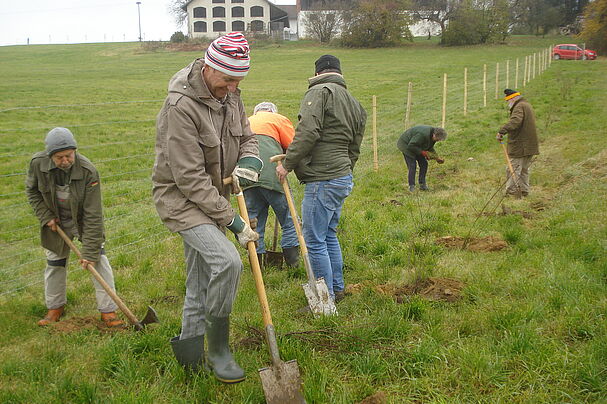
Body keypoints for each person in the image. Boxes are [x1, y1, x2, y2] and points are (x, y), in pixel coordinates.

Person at [152, 32, 260, 384]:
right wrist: (234, 222)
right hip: (182, 201)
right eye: (228, 79)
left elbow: (247, 137)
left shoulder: (231, 95)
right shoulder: (180, 107)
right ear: (209, 67)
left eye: (238, 81)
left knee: (199, 279)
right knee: (227, 262)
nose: (232, 87)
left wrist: (249, 161)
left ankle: (188, 351)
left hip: (213, 197)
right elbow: (188, 178)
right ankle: (218, 351)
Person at [276, 54, 366, 303]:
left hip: (323, 178)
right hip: (341, 176)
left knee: (314, 240)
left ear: (317, 73)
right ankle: (337, 290)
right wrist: (344, 171)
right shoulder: (355, 103)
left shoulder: (320, 92)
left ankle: (324, 301)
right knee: (328, 234)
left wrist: (287, 164)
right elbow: (354, 148)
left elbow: (307, 131)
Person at [25, 127, 124, 328]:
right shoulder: (38, 164)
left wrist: (89, 251)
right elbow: (32, 192)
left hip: (82, 220)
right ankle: (55, 307)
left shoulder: (88, 171)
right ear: (50, 155)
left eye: (69, 155)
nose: (65, 161)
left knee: (98, 260)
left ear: (75, 151)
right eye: (59, 157)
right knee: (54, 263)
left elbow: (93, 214)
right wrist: (46, 216)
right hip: (56, 221)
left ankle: (108, 311)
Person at [244, 102, 299, 268]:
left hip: (247, 176)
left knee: (254, 223)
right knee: (288, 219)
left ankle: (257, 266)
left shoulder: (245, 121)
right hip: (272, 174)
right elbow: (293, 146)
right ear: (272, 111)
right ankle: (293, 265)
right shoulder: (278, 119)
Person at [497, 89, 539, 197]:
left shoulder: (519, 106)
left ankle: (512, 192)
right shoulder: (526, 105)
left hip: (521, 145)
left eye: (508, 101)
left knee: (513, 168)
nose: (508, 103)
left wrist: (502, 130)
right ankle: (524, 191)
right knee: (524, 169)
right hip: (529, 144)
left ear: (512, 98)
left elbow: (515, 121)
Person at [397, 125, 447, 192]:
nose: (438, 141)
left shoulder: (432, 136)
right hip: (406, 145)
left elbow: (429, 147)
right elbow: (411, 145)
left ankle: (422, 185)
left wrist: (437, 157)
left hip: (417, 145)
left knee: (424, 164)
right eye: (437, 139)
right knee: (412, 165)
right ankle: (411, 186)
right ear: (434, 135)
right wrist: (422, 152)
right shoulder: (423, 134)